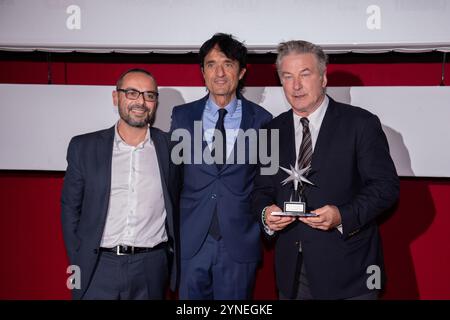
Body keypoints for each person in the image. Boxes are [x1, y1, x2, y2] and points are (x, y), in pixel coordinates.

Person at [252, 40, 399, 300]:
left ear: (323, 78)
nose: (296, 85)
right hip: (292, 275)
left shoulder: (361, 124)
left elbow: (385, 188)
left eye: (304, 74)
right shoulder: (270, 132)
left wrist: (342, 215)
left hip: (351, 275)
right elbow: (261, 191)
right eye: (287, 76)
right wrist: (267, 213)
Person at [170, 33, 272, 299]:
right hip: (191, 240)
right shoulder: (182, 117)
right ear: (202, 72)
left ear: (241, 72)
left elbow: (267, 181)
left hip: (239, 241)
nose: (219, 72)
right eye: (211, 64)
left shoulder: (262, 120)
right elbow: (173, 178)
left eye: (227, 63)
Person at [61, 68, 178, 300]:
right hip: (97, 266)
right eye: (132, 93)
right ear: (116, 97)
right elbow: (69, 208)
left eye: (149, 95)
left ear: (155, 103)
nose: (141, 102)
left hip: (151, 267)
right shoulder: (83, 147)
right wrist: (79, 257)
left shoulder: (172, 148)